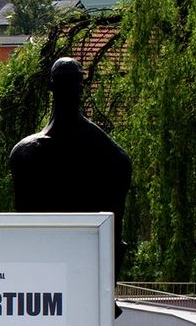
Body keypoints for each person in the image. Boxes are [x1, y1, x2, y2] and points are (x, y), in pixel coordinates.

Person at [9, 57, 132, 273]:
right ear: (81, 87)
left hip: (72, 265)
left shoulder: (25, 152)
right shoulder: (25, 153)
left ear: (50, 87)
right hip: (56, 264)